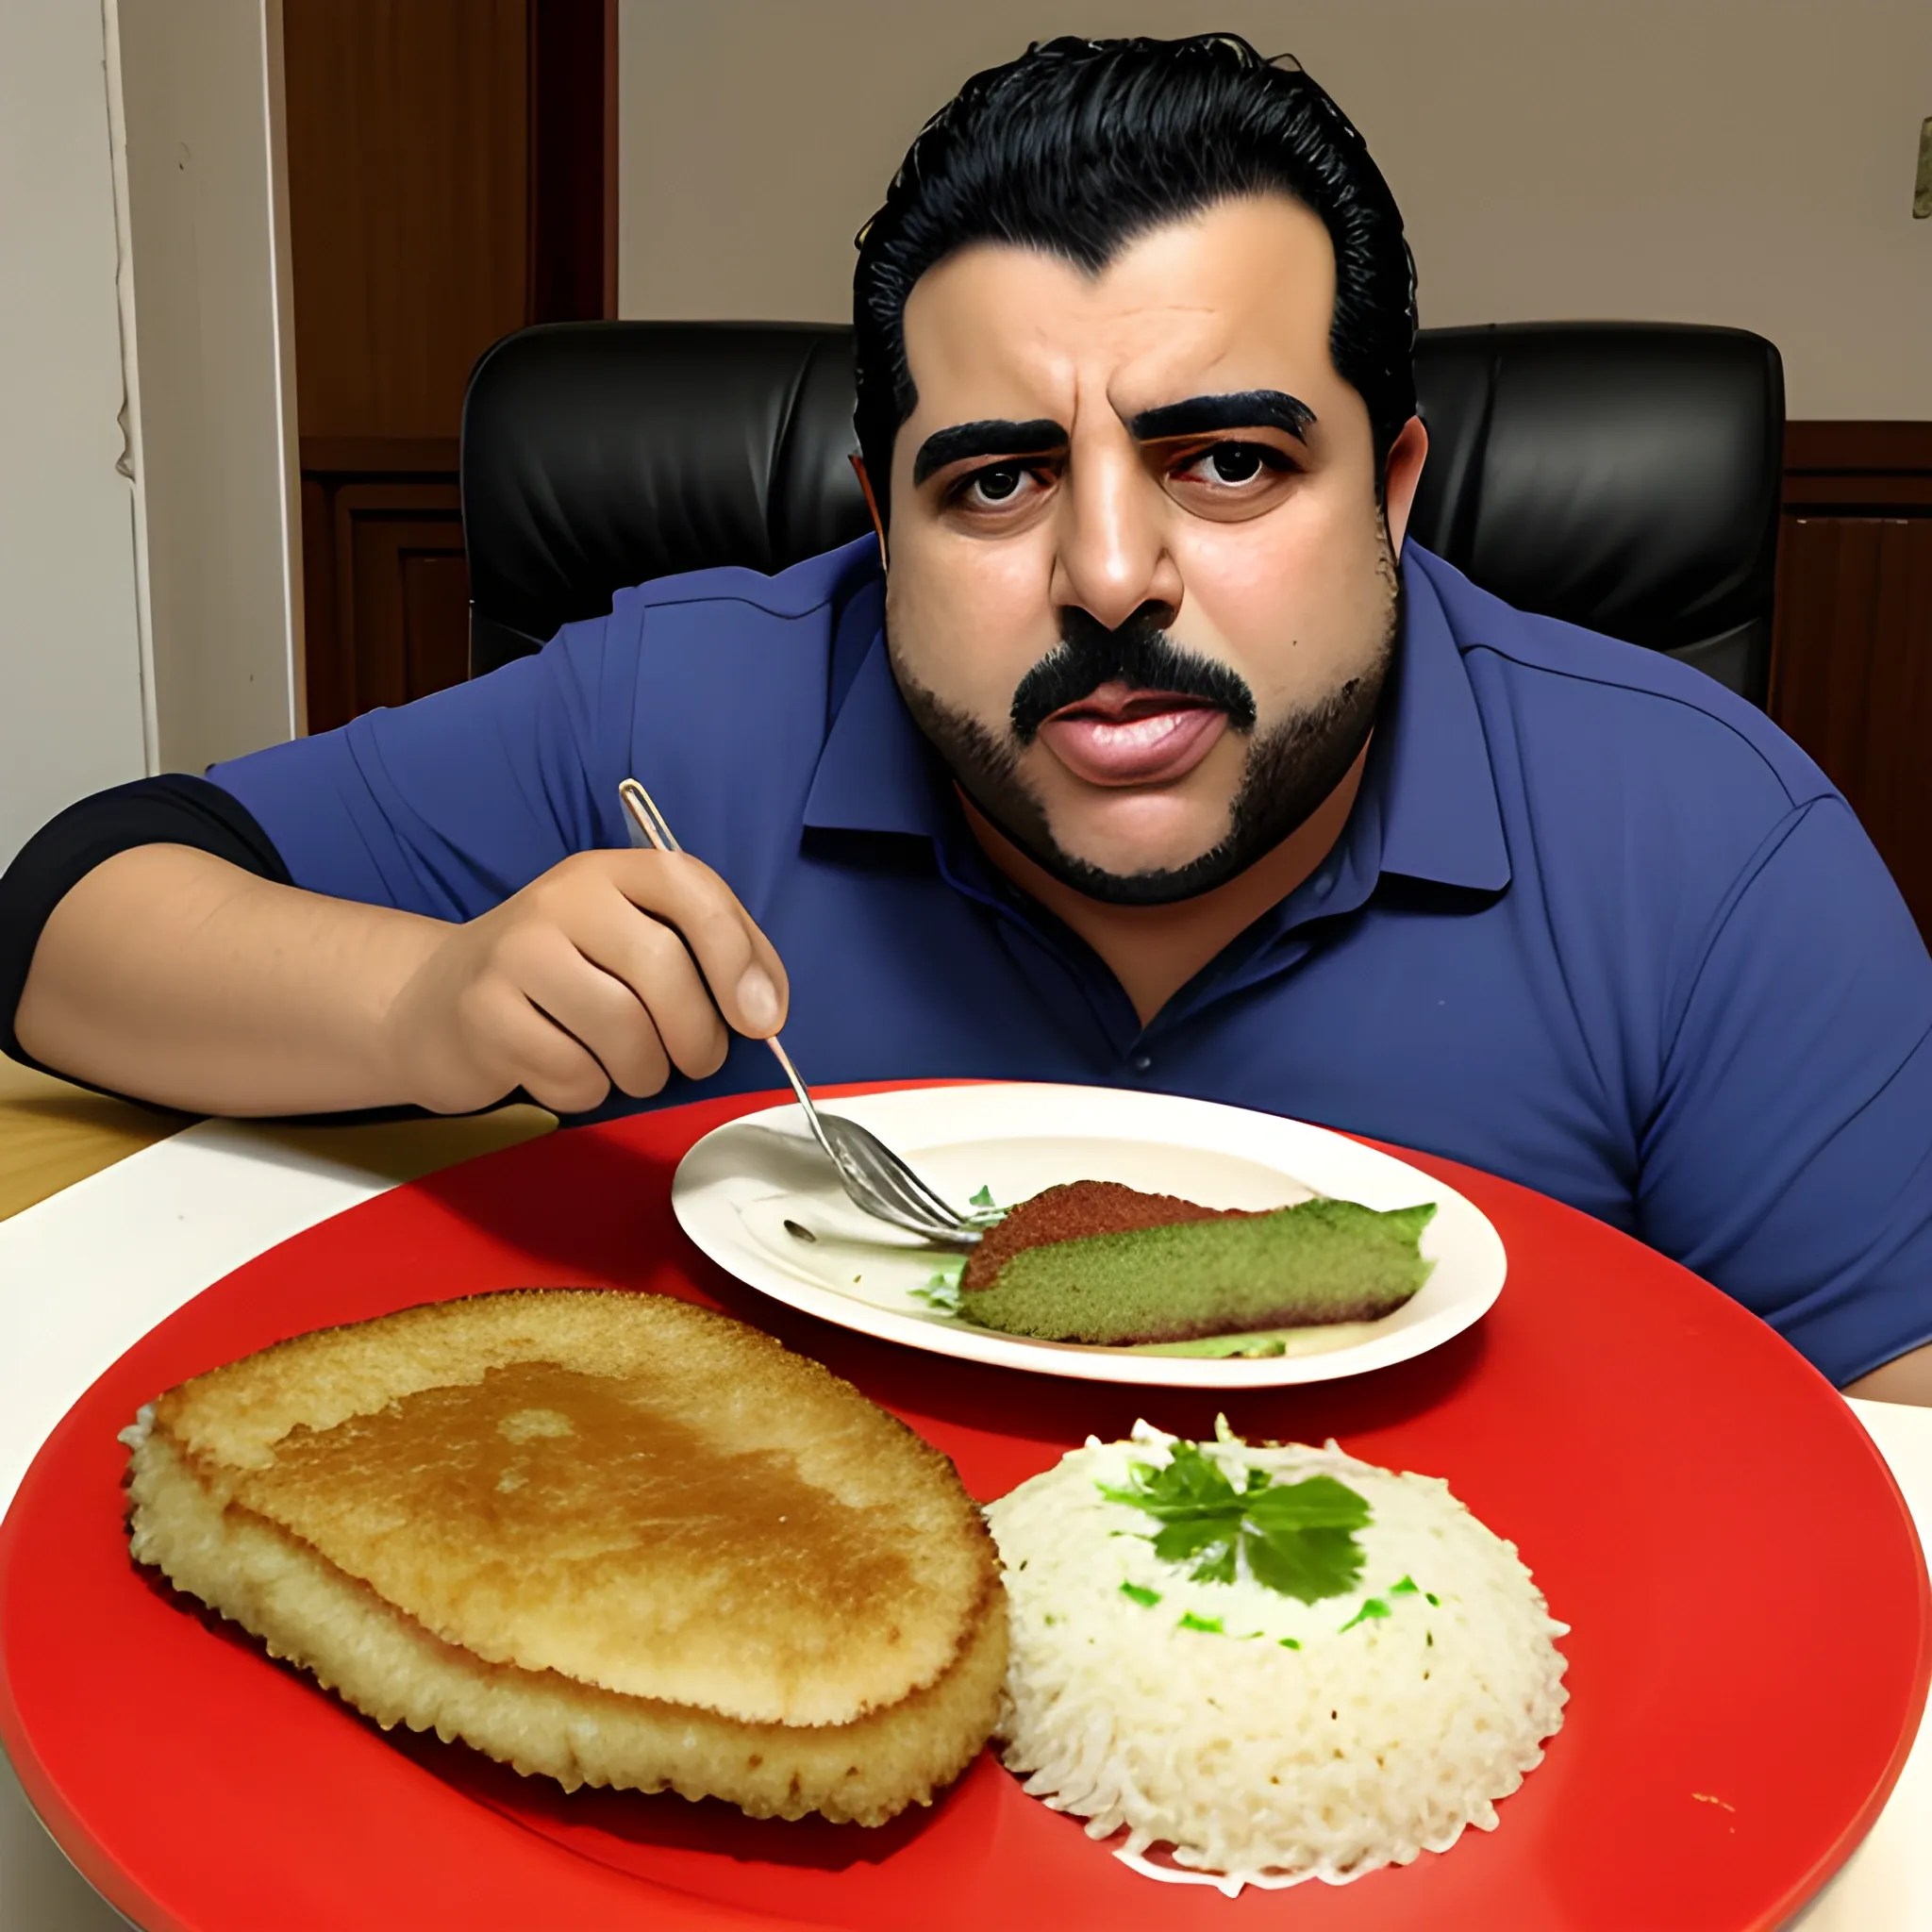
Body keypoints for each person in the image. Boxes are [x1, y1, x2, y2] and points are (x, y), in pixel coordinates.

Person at [3, 36, 1928, 1400]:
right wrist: (429, 1005)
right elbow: (64, 919)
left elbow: (1895, 1445)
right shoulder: (677, 712)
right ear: (879, 517)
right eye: (995, 482)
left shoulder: (1707, 841)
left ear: (1398, 485)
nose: (1106, 575)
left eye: (1233, 462)